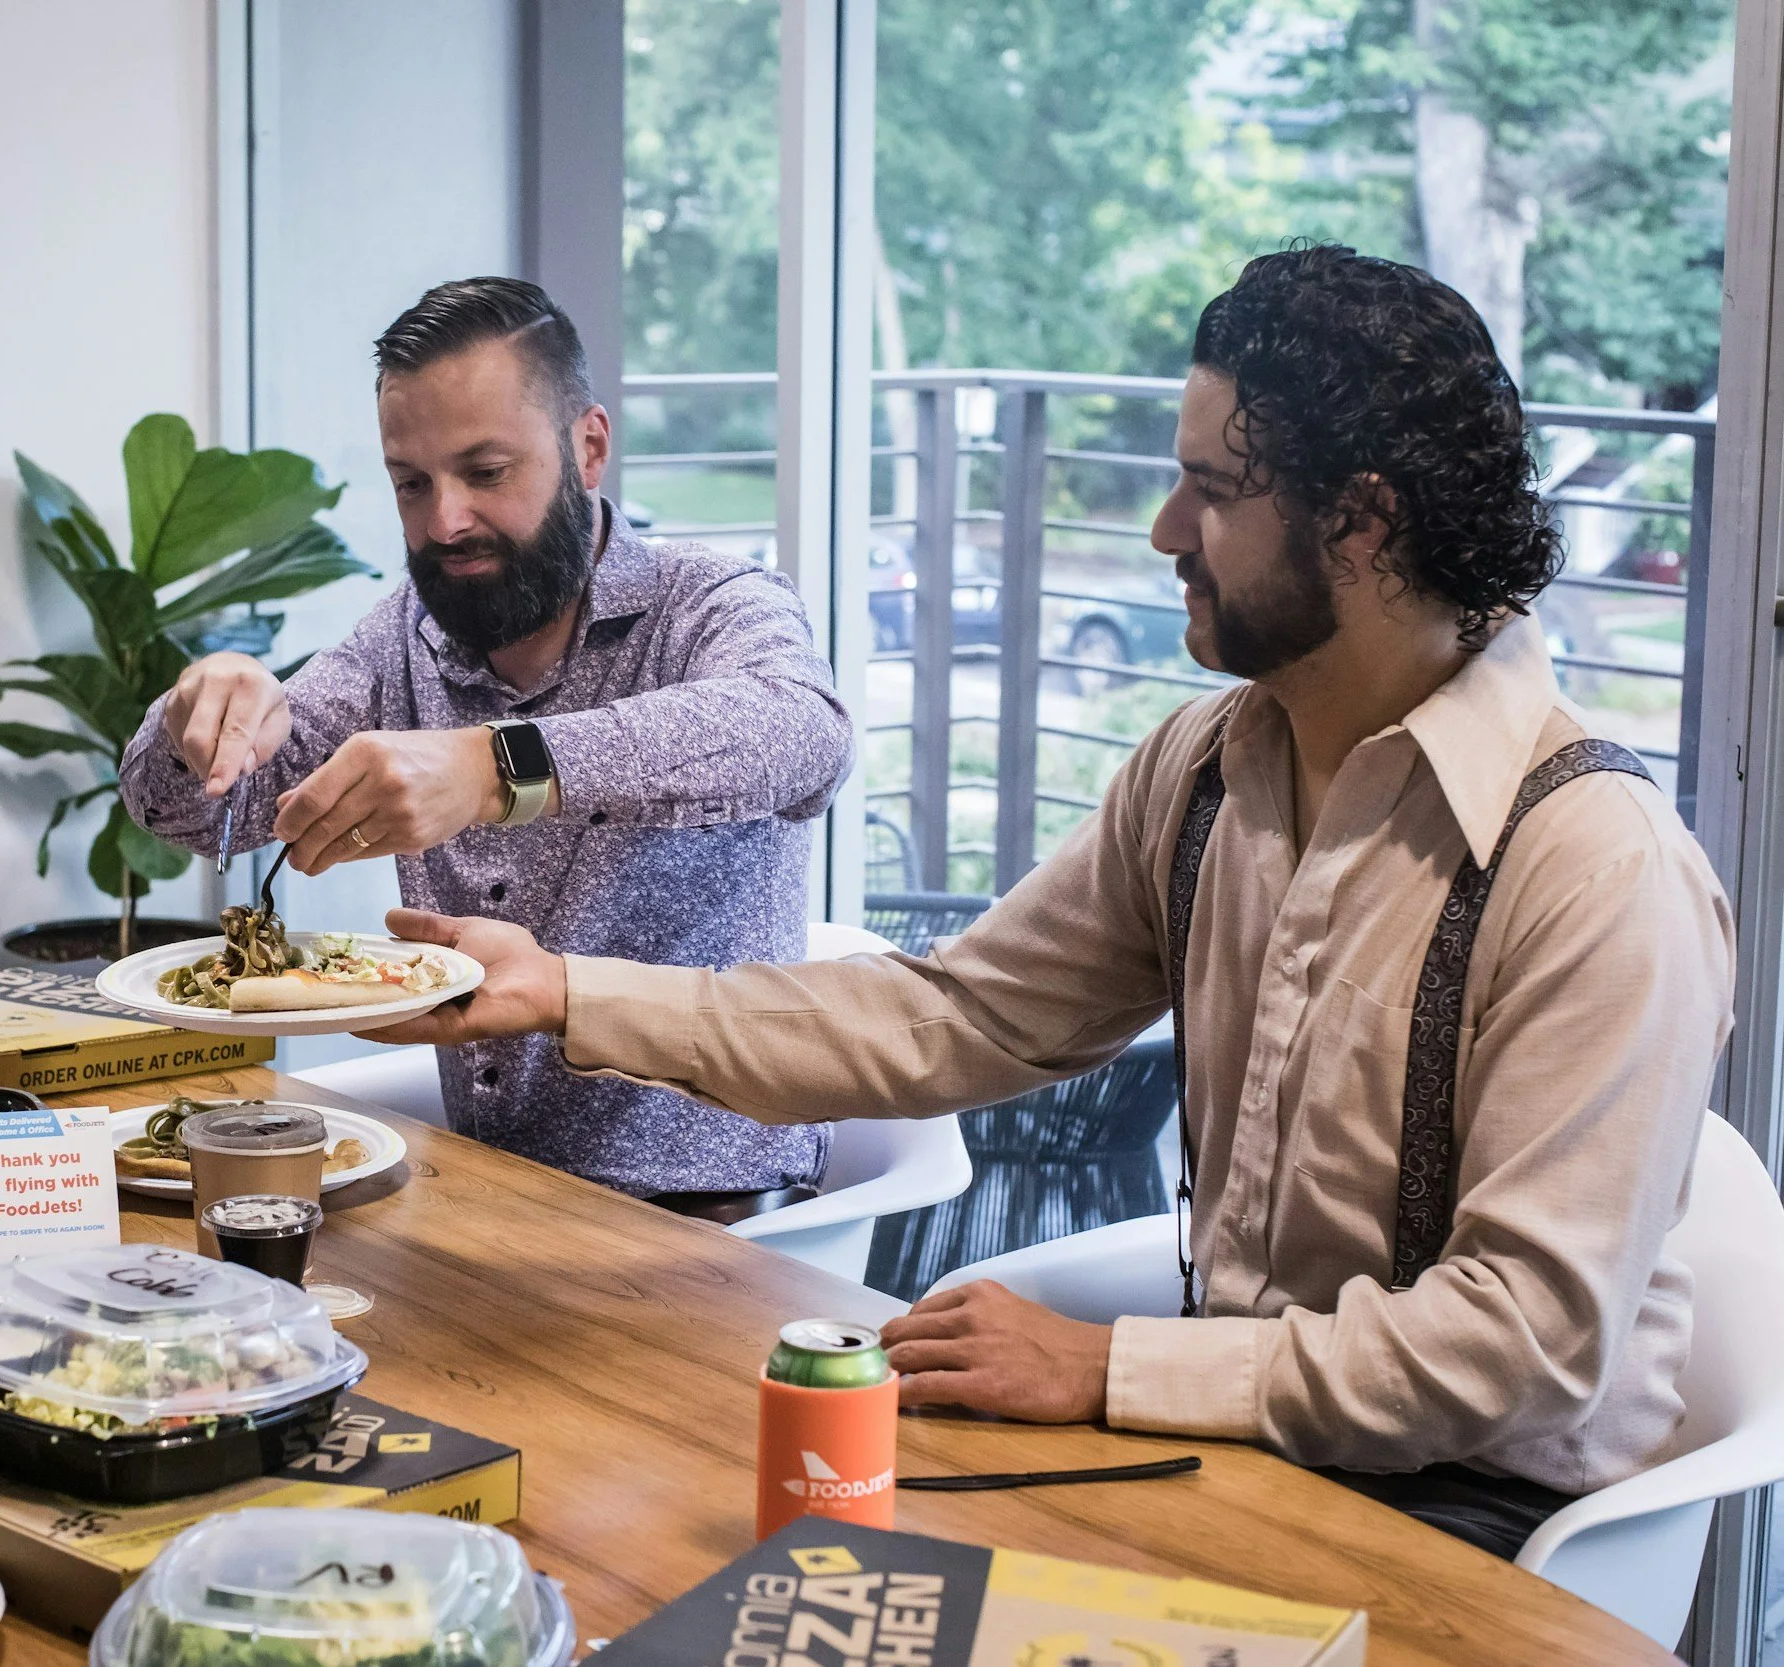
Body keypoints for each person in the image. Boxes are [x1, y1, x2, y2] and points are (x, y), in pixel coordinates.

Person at [370, 246, 1734, 1559]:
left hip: (1478, 1525)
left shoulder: (1596, 867)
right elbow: (949, 1018)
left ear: (1360, 519)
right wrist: (563, 989)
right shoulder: (1204, 770)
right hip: (1248, 1460)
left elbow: (1522, 1347)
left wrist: (1107, 1363)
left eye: (1209, 490)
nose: (1163, 533)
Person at [119, 277, 854, 1211]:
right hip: (490, 1190)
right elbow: (185, 814)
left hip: (712, 1210)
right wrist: (198, 717)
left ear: (588, 447)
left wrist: (495, 767)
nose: (445, 522)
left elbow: (801, 734)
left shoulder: (711, 604)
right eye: (412, 483)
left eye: (486, 472)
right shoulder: (404, 640)